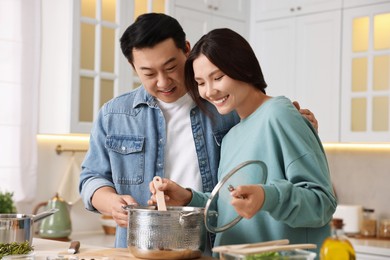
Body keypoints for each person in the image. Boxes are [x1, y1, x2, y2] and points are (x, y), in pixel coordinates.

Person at [79, 13, 319, 249]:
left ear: (186, 49)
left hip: (210, 246)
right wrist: (110, 202)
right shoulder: (114, 115)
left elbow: (269, 131)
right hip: (141, 248)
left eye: (171, 67)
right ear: (133, 67)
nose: (163, 82)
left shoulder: (228, 106)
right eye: (149, 74)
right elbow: (91, 177)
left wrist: (294, 124)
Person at [148, 28, 337, 257]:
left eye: (218, 77)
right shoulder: (231, 137)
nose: (209, 91)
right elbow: (227, 208)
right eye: (200, 82)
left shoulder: (280, 114)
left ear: (243, 68)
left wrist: (267, 197)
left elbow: (322, 203)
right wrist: (187, 197)